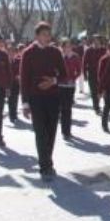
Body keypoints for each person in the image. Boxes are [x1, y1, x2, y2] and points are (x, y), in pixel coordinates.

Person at [20, 22, 67, 181]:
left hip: (53, 97)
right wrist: (25, 103)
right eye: (44, 34)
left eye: (49, 34)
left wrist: (53, 81)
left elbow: (64, 75)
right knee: (40, 132)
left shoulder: (55, 52)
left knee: (51, 131)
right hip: (35, 98)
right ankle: (44, 165)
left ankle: (48, 160)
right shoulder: (28, 53)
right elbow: (24, 79)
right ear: (37, 36)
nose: (48, 37)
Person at [58, 38, 82, 140]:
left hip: (71, 86)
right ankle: (64, 131)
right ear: (62, 47)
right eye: (65, 46)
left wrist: (73, 78)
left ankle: (67, 131)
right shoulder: (59, 57)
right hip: (60, 86)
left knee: (68, 108)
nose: (68, 48)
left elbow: (79, 70)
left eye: (69, 46)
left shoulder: (75, 57)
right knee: (63, 108)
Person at [82, 35, 106, 114]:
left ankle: (104, 105)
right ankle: (96, 107)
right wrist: (85, 74)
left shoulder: (104, 50)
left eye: (98, 40)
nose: (96, 42)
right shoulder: (88, 50)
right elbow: (84, 62)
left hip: (102, 74)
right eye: (95, 40)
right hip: (92, 73)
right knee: (93, 91)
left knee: (102, 90)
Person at [8, 44, 23, 122]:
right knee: (10, 100)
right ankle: (11, 115)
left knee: (15, 99)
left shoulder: (18, 61)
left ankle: (15, 114)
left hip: (16, 83)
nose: (12, 53)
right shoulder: (6, 61)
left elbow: (20, 70)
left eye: (13, 52)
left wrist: (19, 76)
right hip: (9, 83)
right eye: (10, 52)